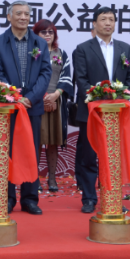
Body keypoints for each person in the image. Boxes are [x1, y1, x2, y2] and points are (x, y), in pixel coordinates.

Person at [72, 6, 130, 214]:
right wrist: (96, 99)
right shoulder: (83, 49)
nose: (108, 23)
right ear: (94, 23)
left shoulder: (125, 48)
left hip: (116, 112)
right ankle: (89, 198)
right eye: (103, 19)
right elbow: (81, 79)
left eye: (111, 19)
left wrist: (121, 96)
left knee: (113, 157)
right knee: (89, 156)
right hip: (91, 112)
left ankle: (112, 197)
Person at [0, 1, 52, 215]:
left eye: (27, 14)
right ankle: (7, 198)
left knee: (31, 152)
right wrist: (14, 97)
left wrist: (31, 98)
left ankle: (29, 198)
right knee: (7, 152)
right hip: (8, 108)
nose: (23, 17)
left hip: (32, 107)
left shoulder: (39, 42)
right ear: (9, 17)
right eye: (18, 13)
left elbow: (45, 73)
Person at [32, 19, 73, 193]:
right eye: (43, 32)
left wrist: (55, 95)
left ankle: (52, 178)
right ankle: (34, 179)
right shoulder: (32, 53)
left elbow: (67, 77)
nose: (47, 35)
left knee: (53, 142)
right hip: (35, 102)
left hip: (57, 103)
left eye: (51, 32)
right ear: (36, 34)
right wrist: (42, 97)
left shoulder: (61, 53)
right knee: (36, 142)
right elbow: (29, 78)